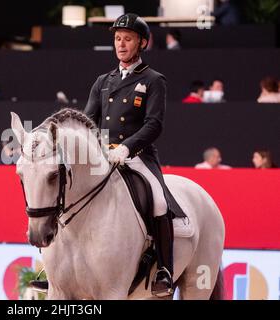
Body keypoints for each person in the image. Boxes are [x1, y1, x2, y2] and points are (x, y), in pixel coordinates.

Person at [83, 13, 187, 297]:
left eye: (127, 39)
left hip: (137, 155)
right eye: (117, 39)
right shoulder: (103, 81)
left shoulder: (154, 80)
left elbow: (154, 124)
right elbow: (88, 121)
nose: (121, 44)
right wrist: (94, 149)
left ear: (142, 42)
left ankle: (165, 268)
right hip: (103, 156)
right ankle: (61, 267)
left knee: (158, 200)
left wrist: (127, 147)